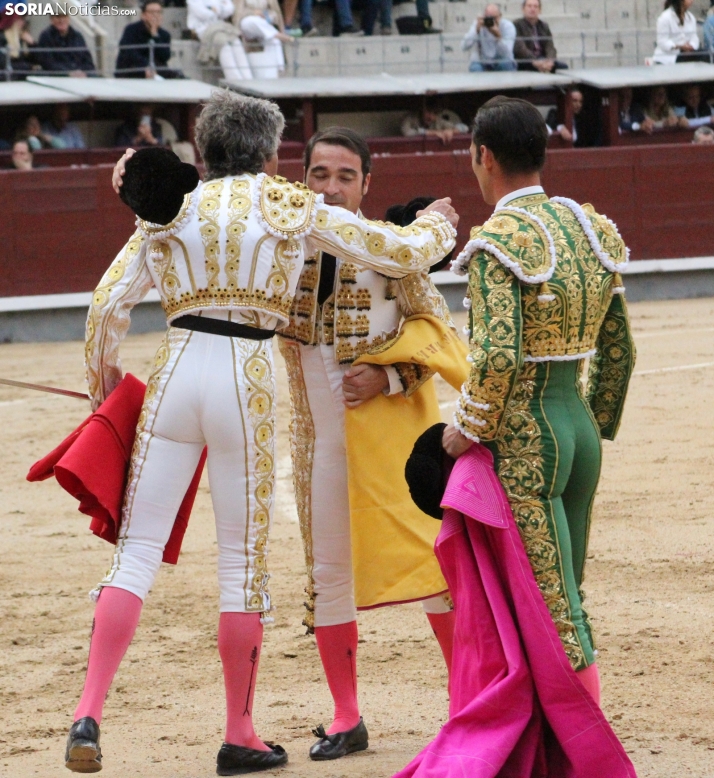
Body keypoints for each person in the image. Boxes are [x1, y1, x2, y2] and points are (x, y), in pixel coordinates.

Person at [65, 91, 457, 776]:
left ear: (203, 148)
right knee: (240, 566)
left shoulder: (171, 207)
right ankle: (239, 732)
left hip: (174, 370)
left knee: (135, 554)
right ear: (273, 155)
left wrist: (105, 398)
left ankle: (87, 712)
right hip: (243, 378)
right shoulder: (287, 208)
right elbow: (399, 250)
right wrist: (435, 229)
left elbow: (105, 310)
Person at [441, 93, 636, 733]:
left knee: (554, 611)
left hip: (529, 440)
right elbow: (620, 352)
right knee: (568, 594)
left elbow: (497, 356)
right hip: (578, 428)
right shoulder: (590, 228)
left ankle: (581, 749)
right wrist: (593, 425)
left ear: (484, 156)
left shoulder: (497, 242)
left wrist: (467, 429)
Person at [277, 127, 464, 762]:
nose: (331, 188)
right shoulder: (281, 251)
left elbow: (438, 336)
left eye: (345, 176)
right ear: (302, 178)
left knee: (432, 568)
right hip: (318, 446)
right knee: (329, 576)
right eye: (320, 174)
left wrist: (390, 377)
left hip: (391, 442)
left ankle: (466, 703)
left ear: (365, 185)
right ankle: (346, 716)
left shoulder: (392, 252)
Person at [115, 0, 184, 79]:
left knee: (170, 72)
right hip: (132, 69)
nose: (155, 15)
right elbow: (128, 52)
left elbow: (165, 56)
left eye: (158, 12)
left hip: (156, 69)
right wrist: (146, 65)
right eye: (152, 12)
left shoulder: (164, 34)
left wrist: (155, 35)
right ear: (143, 15)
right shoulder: (131, 30)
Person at [189, 0, 253, 81]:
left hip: (221, 26)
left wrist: (214, 9)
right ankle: (235, 80)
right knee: (223, 43)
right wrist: (220, 8)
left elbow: (230, 9)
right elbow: (201, 13)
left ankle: (248, 79)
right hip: (203, 28)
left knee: (236, 41)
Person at [232, 0, 292, 78]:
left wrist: (267, 15)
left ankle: (278, 71)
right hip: (247, 24)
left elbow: (276, 13)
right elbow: (237, 13)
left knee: (274, 41)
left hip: (264, 24)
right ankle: (278, 34)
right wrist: (253, 13)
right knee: (253, 20)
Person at [513, 0, 567, 72]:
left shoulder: (544, 26)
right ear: (523, 9)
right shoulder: (516, 25)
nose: (532, 9)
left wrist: (550, 61)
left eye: (535, 7)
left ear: (540, 10)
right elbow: (520, 48)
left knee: (563, 67)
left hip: (543, 59)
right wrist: (535, 61)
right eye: (529, 6)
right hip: (526, 60)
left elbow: (550, 47)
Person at [461, 3, 516, 72]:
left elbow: (506, 54)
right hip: (483, 62)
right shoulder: (478, 24)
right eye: (488, 18)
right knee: (475, 67)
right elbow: (464, 46)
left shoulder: (507, 26)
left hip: (501, 60)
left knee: (506, 64)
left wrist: (498, 36)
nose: (491, 21)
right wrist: (476, 31)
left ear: (500, 16)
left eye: (494, 18)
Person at [36, 11, 94, 76]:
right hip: (58, 76)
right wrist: (68, 73)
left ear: (69, 18)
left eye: (64, 17)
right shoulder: (46, 37)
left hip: (81, 75)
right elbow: (47, 63)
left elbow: (88, 61)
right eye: (58, 17)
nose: (61, 20)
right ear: (51, 20)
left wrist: (82, 72)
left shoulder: (78, 36)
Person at [401, 99, 468, 144]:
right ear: (421, 110)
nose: (431, 117)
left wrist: (452, 131)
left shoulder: (438, 120)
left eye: (435, 113)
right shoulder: (410, 119)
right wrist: (434, 133)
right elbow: (408, 133)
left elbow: (464, 127)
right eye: (428, 112)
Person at [0, 13, 37, 80]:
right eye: (20, 19)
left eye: (23, 20)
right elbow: (5, 64)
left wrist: (32, 44)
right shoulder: (2, 38)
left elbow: (36, 61)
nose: (23, 23)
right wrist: (29, 67)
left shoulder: (22, 37)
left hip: (23, 77)